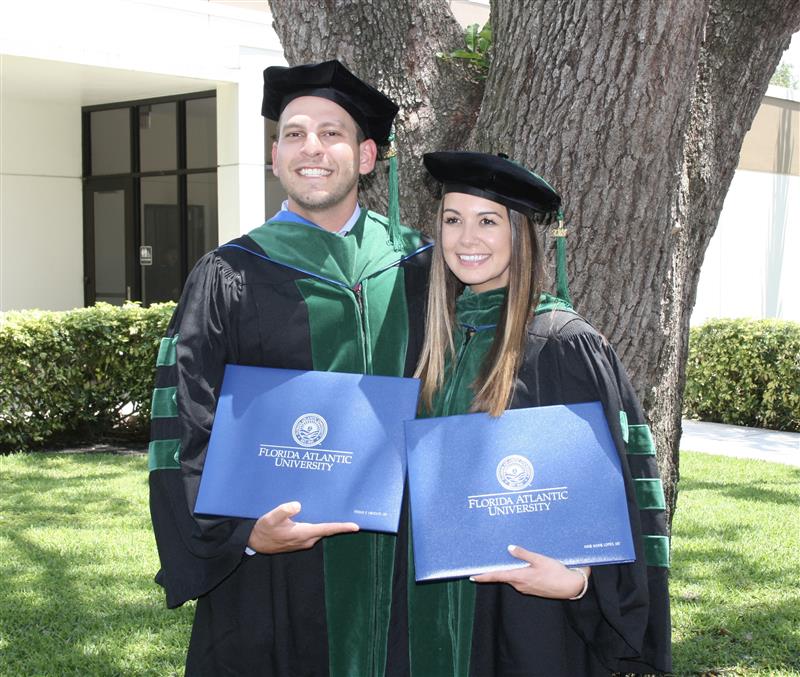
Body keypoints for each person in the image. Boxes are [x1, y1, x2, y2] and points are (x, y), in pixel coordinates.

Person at [148, 59, 431, 675]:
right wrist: (242, 534)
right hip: (277, 562)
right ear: (275, 156)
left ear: (365, 157)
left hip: (405, 557)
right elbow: (183, 424)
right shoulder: (229, 273)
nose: (313, 148)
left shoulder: (421, 266)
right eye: (295, 133)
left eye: (333, 133)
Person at [410, 151, 671, 675]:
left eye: (488, 221)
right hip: (429, 607)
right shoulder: (429, 338)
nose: (467, 239)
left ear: (521, 234)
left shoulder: (562, 343)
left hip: (529, 614)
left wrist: (579, 583)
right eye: (452, 220)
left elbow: (626, 493)